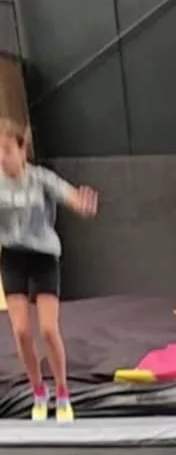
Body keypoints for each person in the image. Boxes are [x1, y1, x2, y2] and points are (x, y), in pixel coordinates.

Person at [0, 117, 98, 423]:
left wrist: (79, 203)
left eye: (6, 151)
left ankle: (63, 392)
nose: (2, 159)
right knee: (21, 330)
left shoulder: (41, 179)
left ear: (22, 150)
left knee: (46, 329)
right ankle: (38, 392)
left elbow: (68, 194)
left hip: (43, 256)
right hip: (13, 256)